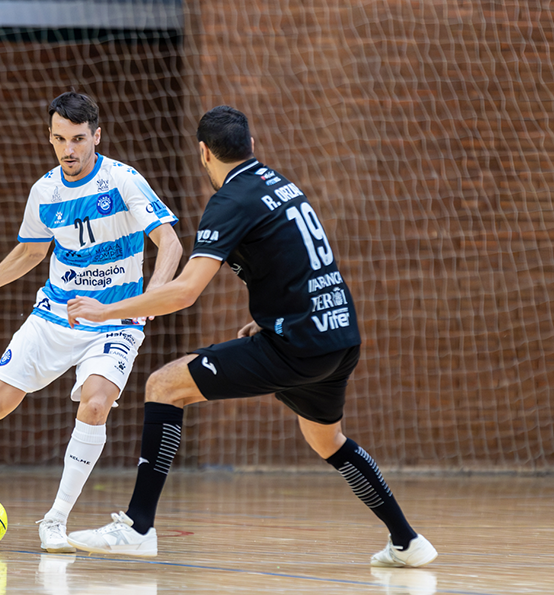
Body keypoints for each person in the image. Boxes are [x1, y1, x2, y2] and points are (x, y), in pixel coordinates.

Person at [66, 106, 437, 568]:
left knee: (164, 385)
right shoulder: (279, 184)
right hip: (338, 337)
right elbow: (300, 259)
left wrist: (106, 309)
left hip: (295, 347)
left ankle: (138, 528)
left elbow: (184, 292)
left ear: (203, 153)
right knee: (327, 441)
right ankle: (407, 541)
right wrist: (272, 317)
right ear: (251, 147)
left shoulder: (230, 202)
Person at [0, 91, 182, 553]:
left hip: (115, 322)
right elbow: (30, 253)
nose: (69, 150)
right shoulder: (46, 191)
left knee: (95, 405)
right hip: (54, 316)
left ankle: (55, 520)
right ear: (51, 138)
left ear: (97, 135)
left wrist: (154, 295)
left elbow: (170, 242)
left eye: (78, 139)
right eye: (60, 139)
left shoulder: (122, 181)